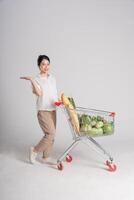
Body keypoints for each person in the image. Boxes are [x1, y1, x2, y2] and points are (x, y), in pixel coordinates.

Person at [20, 55, 58, 164]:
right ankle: (34, 150)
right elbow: (39, 93)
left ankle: (46, 157)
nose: (46, 66)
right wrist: (32, 80)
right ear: (39, 66)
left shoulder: (52, 78)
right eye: (43, 64)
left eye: (47, 64)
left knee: (52, 135)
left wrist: (60, 102)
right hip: (43, 110)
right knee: (50, 134)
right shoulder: (36, 79)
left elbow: (54, 94)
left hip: (53, 109)